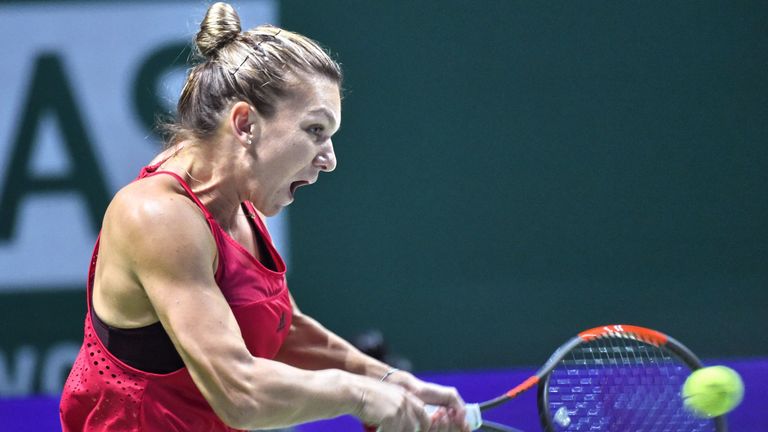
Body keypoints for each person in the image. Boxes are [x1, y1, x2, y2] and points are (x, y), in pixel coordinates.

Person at [59, 3, 470, 432]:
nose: (329, 159)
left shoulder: (242, 202)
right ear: (245, 124)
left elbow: (284, 330)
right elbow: (241, 393)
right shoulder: (157, 216)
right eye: (315, 130)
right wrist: (360, 394)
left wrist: (392, 381)